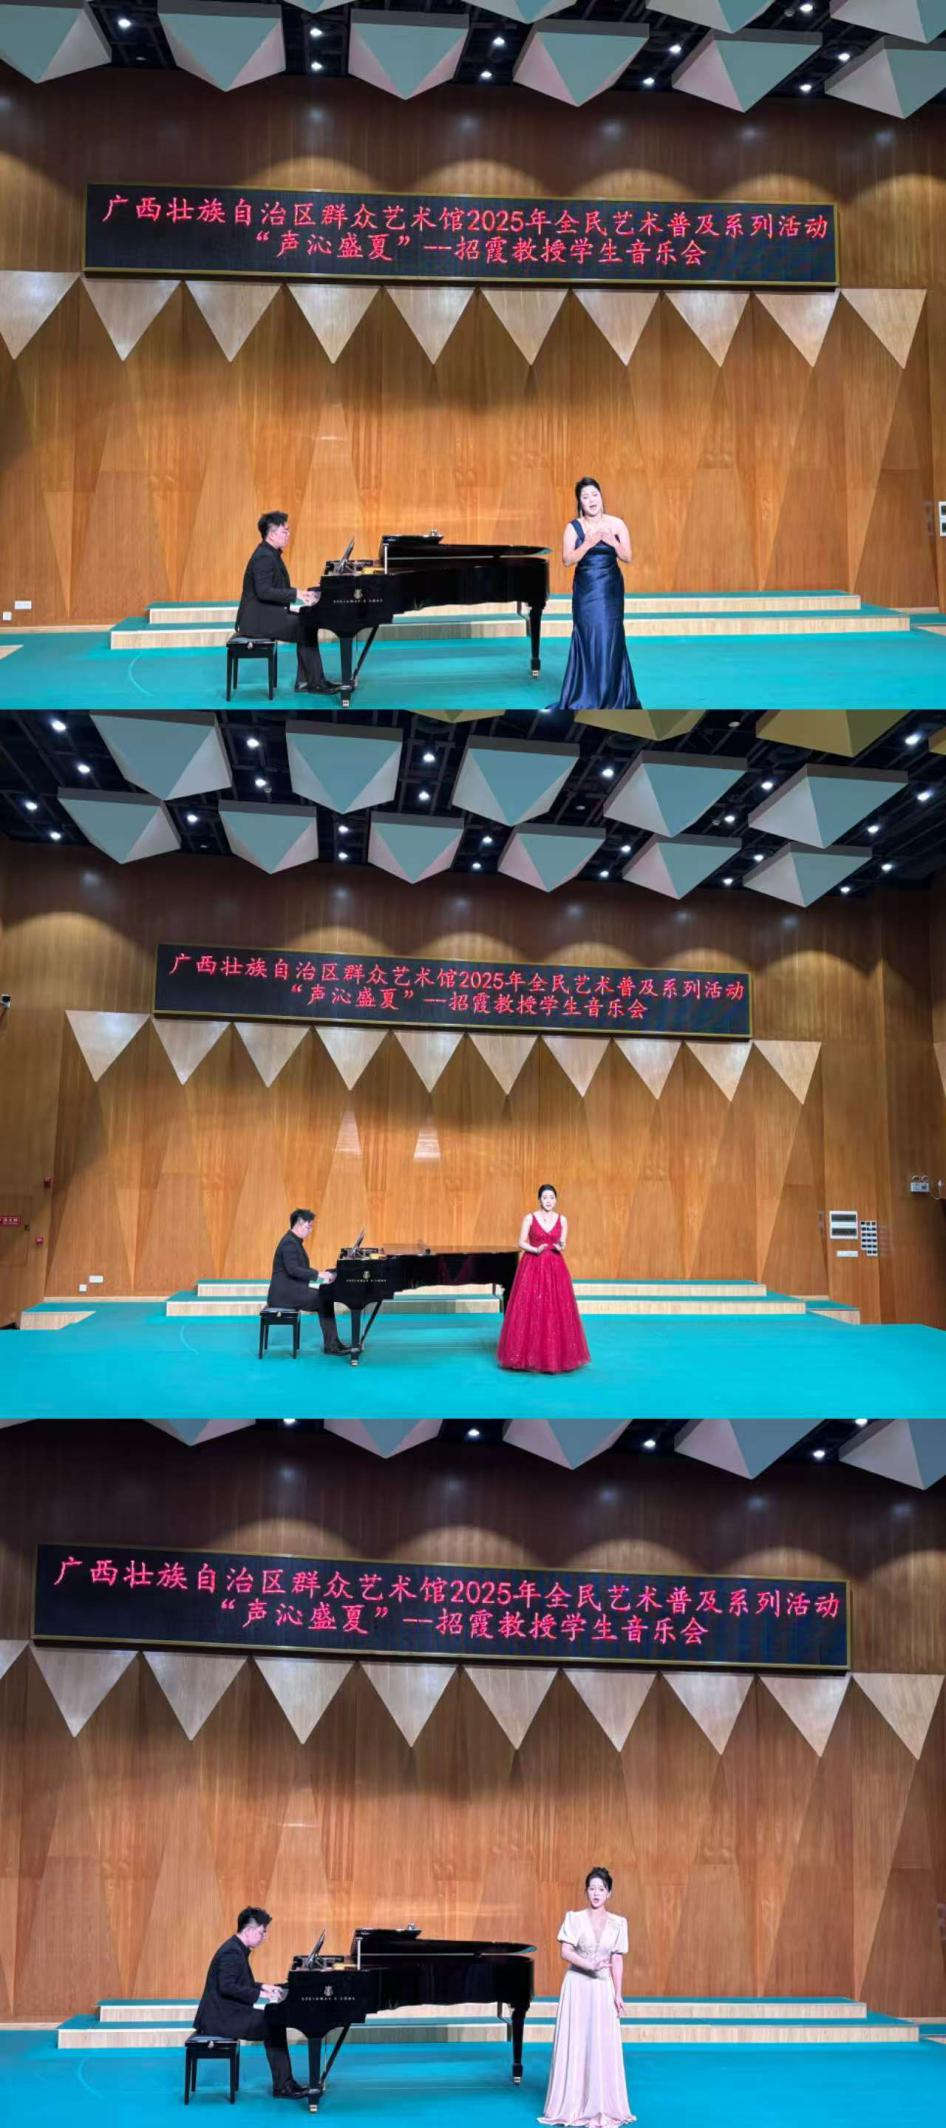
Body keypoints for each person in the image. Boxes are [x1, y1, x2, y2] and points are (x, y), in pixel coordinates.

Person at [539, 1868, 634, 2128]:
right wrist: (590, 1965)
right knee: (578, 2040)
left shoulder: (619, 1923)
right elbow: (565, 1951)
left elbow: (617, 1959)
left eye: (601, 1889)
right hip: (578, 1986)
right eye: (592, 1888)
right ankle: (572, 2104)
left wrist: (618, 1993)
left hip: (602, 1988)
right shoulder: (574, 1918)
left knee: (600, 2042)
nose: (596, 1893)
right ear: (586, 1891)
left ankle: (601, 2104)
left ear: (609, 1893)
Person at [547, 478, 640, 713]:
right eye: (585, 497)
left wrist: (612, 542)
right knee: (588, 637)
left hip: (610, 589)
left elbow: (627, 557)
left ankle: (613, 693)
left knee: (610, 636)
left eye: (594, 494)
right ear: (579, 502)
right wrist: (587, 543)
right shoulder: (573, 527)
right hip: (586, 590)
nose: (591, 500)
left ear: (601, 496)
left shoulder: (616, 523)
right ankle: (587, 694)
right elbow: (567, 560)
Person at [194, 1905, 304, 2100]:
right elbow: (227, 1986)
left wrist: (264, 1986)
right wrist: (260, 1994)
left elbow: (238, 1982)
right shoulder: (231, 1952)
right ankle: (283, 2085)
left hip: (226, 2012)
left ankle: (284, 2083)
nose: (264, 1937)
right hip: (220, 2017)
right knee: (274, 2023)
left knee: (274, 2022)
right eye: (262, 1932)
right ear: (249, 1930)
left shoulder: (236, 1948)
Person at [236, 510, 340, 695]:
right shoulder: (264, 557)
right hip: (257, 620)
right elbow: (264, 591)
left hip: (265, 613)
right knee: (306, 626)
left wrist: (304, 594)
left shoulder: (270, 553)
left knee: (306, 623)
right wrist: (297, 594)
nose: (288, 534)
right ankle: (314, 682)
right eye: (285, 531)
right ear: (271, 534)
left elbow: (275, 588)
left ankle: (306, 681)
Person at [496, 1185, 589, 1374]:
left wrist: (561, 1245)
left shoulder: (563, 1219)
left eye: (551, 1197)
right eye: (545, 1197)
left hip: (555, 1267)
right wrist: (534, 1249)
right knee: (530, 1308)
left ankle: (554, 1357)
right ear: (539, 1199)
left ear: (556, 1200)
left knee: (555, 1308)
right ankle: (525, 1356)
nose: (548, 1200)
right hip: (533, 1265)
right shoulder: (530, 1218)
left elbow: (563, 1243)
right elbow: (521, 1242)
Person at [268, 1207, 347, 1356]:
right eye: (308, 1227)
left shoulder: (293, 1241)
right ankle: (332, 1345)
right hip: (284, 1295)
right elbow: (293, 1270)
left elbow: (300, 1268)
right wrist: (319, 1275)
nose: (310, 1230)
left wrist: (322, 1274)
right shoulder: (289, 1243)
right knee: (324, 1298)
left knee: (324, 1297)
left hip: (291, 1290)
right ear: (298, 1224)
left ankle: (333, 1343)